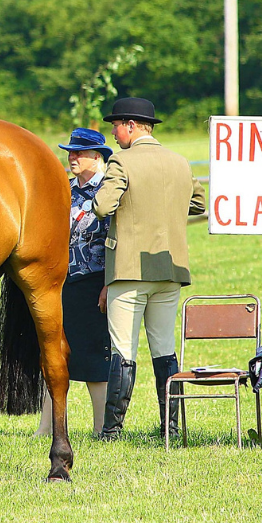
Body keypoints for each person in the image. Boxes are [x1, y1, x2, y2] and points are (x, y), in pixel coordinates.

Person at [93, 98, 206, 440]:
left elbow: (101, 207)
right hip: (170, 270)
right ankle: (170, 427)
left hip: (129, 269)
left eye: (116, 126)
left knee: (123, 350)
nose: (113, 133)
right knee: (164, 349)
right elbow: (199, 203)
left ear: (131, 125)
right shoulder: (180, 162)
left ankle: (112, 430)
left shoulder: (121, 161)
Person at [34, 128, 113, 437]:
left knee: (94, 354)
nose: (72, 157)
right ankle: (46, 427)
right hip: (59, 282)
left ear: (97, 157)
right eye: (70, 152)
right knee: (52, 353)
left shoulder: (109, 190)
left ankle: (100, 427)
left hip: (94, 281)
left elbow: (116, 239)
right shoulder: (63, 189)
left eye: (79, 152)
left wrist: (109, 283)